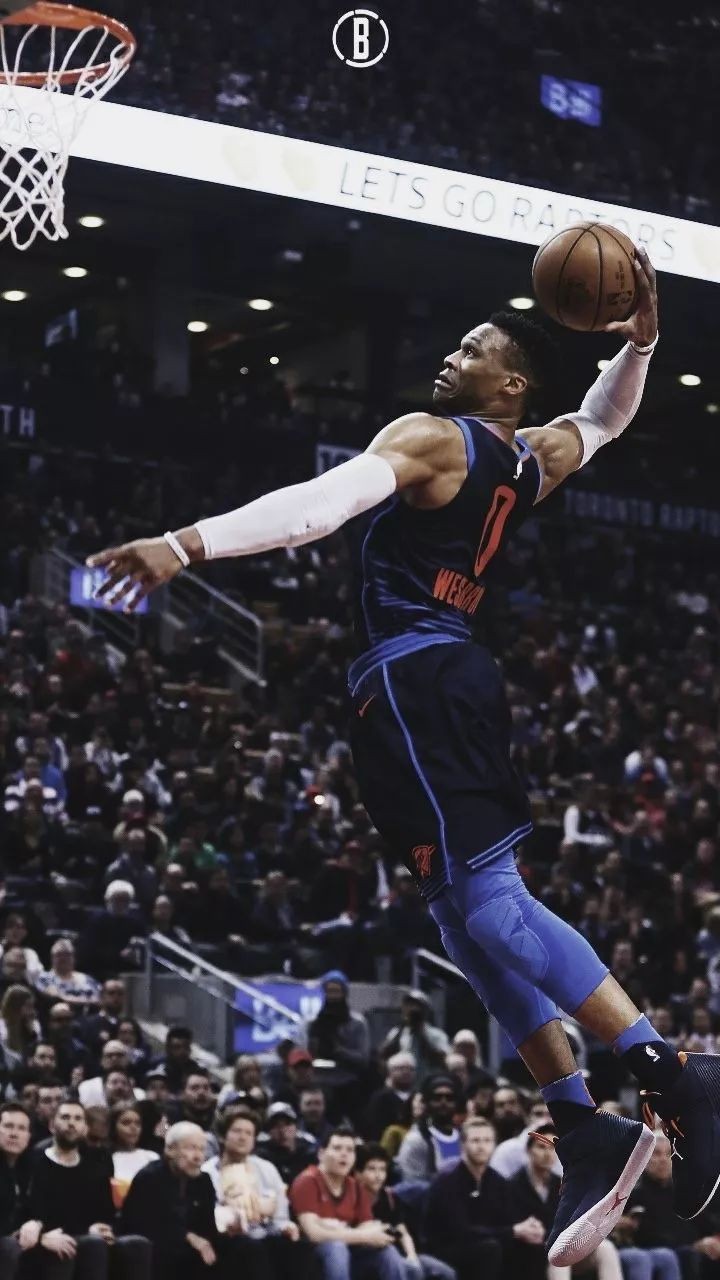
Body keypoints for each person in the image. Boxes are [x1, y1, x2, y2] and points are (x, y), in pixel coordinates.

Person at [87, 252, 715, 1268]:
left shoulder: (431, 437)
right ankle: (581, 1119)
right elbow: (601, 421)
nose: (451, 357)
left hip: (417, 678)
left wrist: (184, 543)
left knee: (493, 907)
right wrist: (641, 342)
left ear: (510, 384)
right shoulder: (529, 459)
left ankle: (672, 1070)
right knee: (464, 923)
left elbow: (319, 507)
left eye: (472, 350)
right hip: (433, 683)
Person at [28, 1098, 152, 1280]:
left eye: (78, 1118)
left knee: (138, 1244)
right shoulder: (36, 1161)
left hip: (89, 1234)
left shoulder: (96, 1164)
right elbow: (36, 1212)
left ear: (85, 1127)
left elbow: (106, 1211)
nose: (72, 1123)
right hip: (54, 1234)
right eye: (65, 1117)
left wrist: (104, 1227)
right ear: (52, 1125)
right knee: (93, 1244)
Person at [424, 1117, 544, 1280]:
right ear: (463, 1145)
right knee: (490, 1249)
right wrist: (513, 1231)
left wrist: (530, 1228)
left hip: (487, 1242)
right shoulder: (447, 1180)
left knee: (533, 1247)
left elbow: (511, 1219)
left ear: (494, 1145)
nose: (481, 1146)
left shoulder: (497, 1181)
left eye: (487, 1141)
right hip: (446, 1248)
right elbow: (461, 1231)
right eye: (475, 1140)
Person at [290, 1126, 405, 1280]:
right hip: (309, 1257)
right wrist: (362, 1235)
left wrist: (368, 1232)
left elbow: (367, 1225)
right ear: (321, 1154)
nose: (344, 1154)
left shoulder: (355, 1186)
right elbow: (313, 1234)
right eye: (337, 1148)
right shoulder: (307, 1181)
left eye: (350, 1150)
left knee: (387, 1252)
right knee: (336, 1247)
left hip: (349, 1253)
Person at [202, 1105, 299, 1279]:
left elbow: (280, 1215)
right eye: (237, 1131)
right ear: (223, 1136)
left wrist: (286, 1227)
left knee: (297, 1247)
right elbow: (213, 1217)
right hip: (227, 1240)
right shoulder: (207, 1173)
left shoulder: (266, 1168)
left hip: (265, 1235)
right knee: (252, 1248)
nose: (243, 1137)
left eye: (249, 1133)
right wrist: (259, 1208)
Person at [122, 1121, 218, 1279]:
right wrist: (188, 1236)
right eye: (191, 1148)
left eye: (202, 1149)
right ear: (170, 1149)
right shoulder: (149, 1177)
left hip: (194, 1249)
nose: (198, 1157)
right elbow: (144, 1225)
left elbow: (207, 1226)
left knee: (237, 1246)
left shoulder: (204, 1181)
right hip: (156, 1248)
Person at [355, 1143, 456, 1280]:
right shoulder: (352, 1198)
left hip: (400, 1253)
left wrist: (412, 1257)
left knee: (445, 1273)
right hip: (373, 1257)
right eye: (371, 1169)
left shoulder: (389, 1197)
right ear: (358, 1173)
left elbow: (402, 1231)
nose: (378, 1175)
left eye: (382, 1169)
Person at [0, 1102, 41, 1280]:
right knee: (9, 1246)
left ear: (29, 1136)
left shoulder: (33, 1165)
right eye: (8, 1126)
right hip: (7, 1241)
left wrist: (38, 1225)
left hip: (17, 1241)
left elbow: (43, 1207)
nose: (14, 1134)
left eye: (21, 1128)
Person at [396, 1073, 461, 1183]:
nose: (443, 1102)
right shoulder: (416, 1140)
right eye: (437, 1098)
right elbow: (411, 1184)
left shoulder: (465, 1137)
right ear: (426, 1102)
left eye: (449, 1098)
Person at [380, 993, 449, 1084]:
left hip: (427, 1083)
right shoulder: (396, 1032)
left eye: (416, 1006)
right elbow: (384, 1055)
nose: (411, 1009)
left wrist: (420, 1033)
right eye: (408, 1005)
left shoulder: (437, 1035)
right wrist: (403, 1026)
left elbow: (442, 1060)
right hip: (403, 1084)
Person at [109, 1102, 159, 1205]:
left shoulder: (152, 1157)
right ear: (113, 1127)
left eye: (137, 1123)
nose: (133, 1128)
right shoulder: (106, 1159)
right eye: (126, 1123)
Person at [256, 1102, 317, 1184]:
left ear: (296, 1127)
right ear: (268, 1131)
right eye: (276, 1126)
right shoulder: (263, 1158)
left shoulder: (309, 1153)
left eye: (287, 1124)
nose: (282, 1131)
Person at [362, 1052, 416, 1141]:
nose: (406, 1072)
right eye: (401, 1068)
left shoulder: (417, 1097)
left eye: (410, 1069)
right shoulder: (380, 1097)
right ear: (390, 1071)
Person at [33, 939, 101, 1007]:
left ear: (74, 958)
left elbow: (101, 998)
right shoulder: (44, 978)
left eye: (67, 954)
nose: (63, 958)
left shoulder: (87, 979)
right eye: (59, 954)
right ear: (52, 958)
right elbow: (56, 997)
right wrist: (88, 1001)